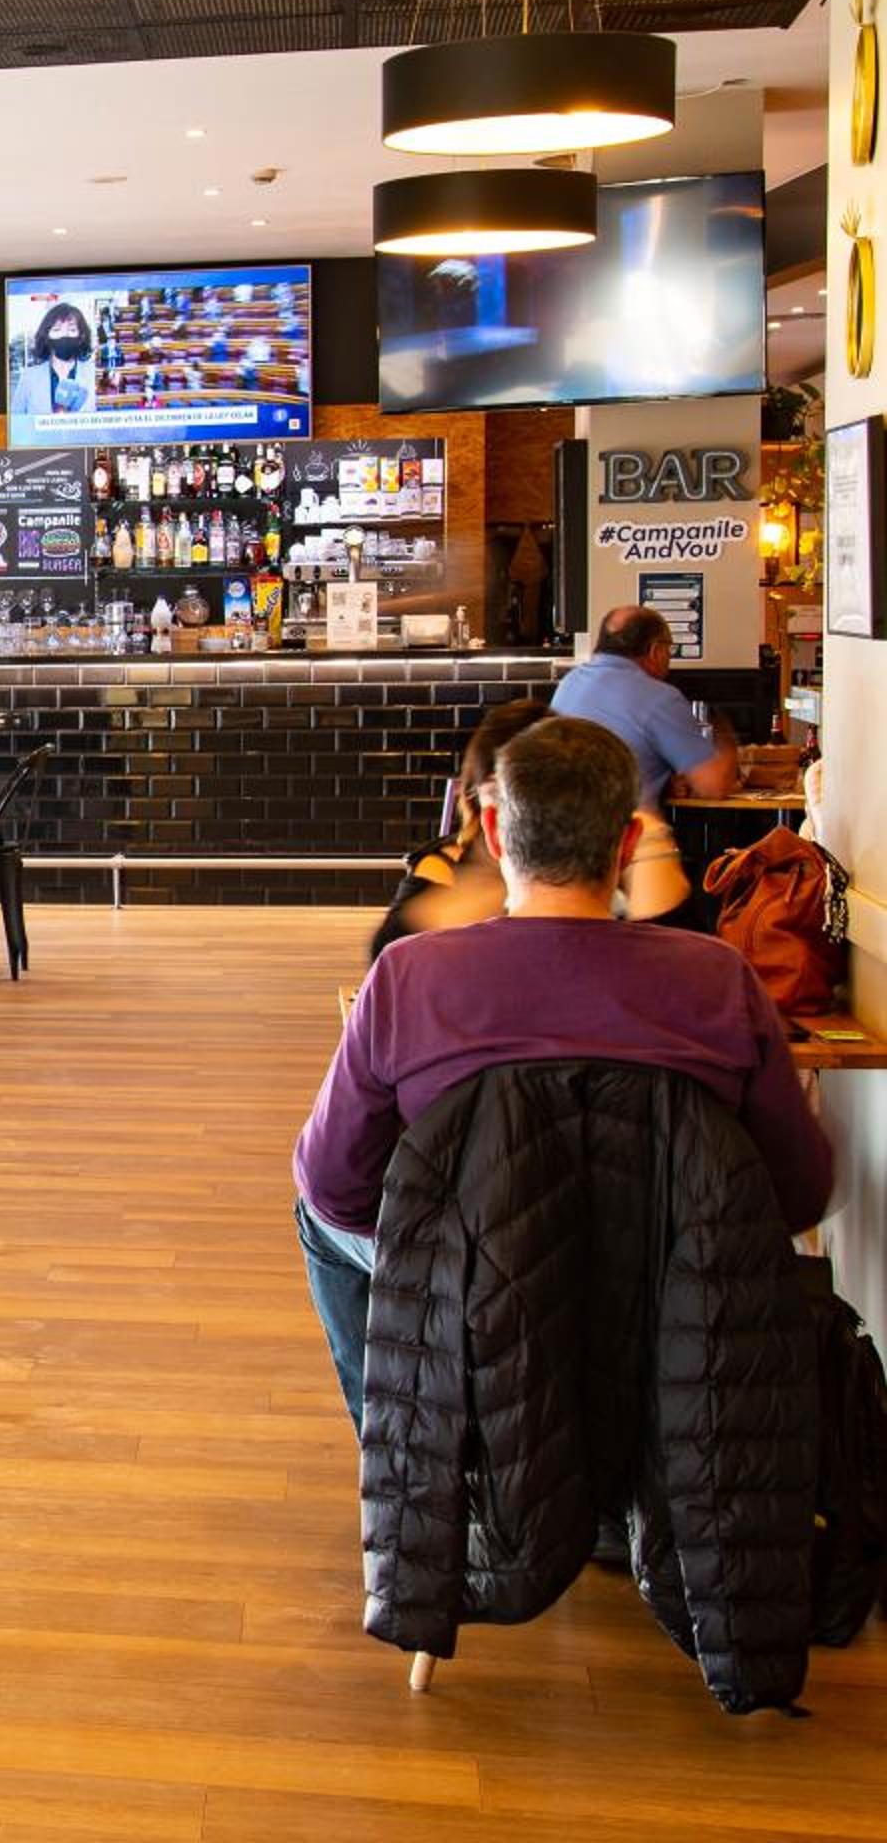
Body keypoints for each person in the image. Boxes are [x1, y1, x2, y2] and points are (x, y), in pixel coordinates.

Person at [294, 716, 830, 1427]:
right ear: (628, 842)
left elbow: (335, 1186)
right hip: (672, 1305)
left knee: (315, 1221)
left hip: (477, 1298)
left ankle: (403, 1437)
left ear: (493, 831)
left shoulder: (408, 977)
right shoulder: (720, 980)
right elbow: (798, 1193)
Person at [368, 698, 686, 961]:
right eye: (507, 792)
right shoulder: (443, 866)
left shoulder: (608, 859)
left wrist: (650, 843)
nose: (529, 807)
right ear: (485, 810)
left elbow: (675, 961)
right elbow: (392, 954)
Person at [550, 605, 740, 816]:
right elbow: (714, 786)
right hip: (625, 831)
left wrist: (665, 779)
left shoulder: (569, 683)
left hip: (564, 828)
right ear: (655, 650)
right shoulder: (660, 698)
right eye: (669, 649)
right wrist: (725, 737)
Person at [10, 300, 98, 420]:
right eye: (57, 330)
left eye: (72, 330)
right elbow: (15, 421)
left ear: (81, 336)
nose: (64, 335)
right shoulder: (29, 376)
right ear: (46, 337)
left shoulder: (92, 373)